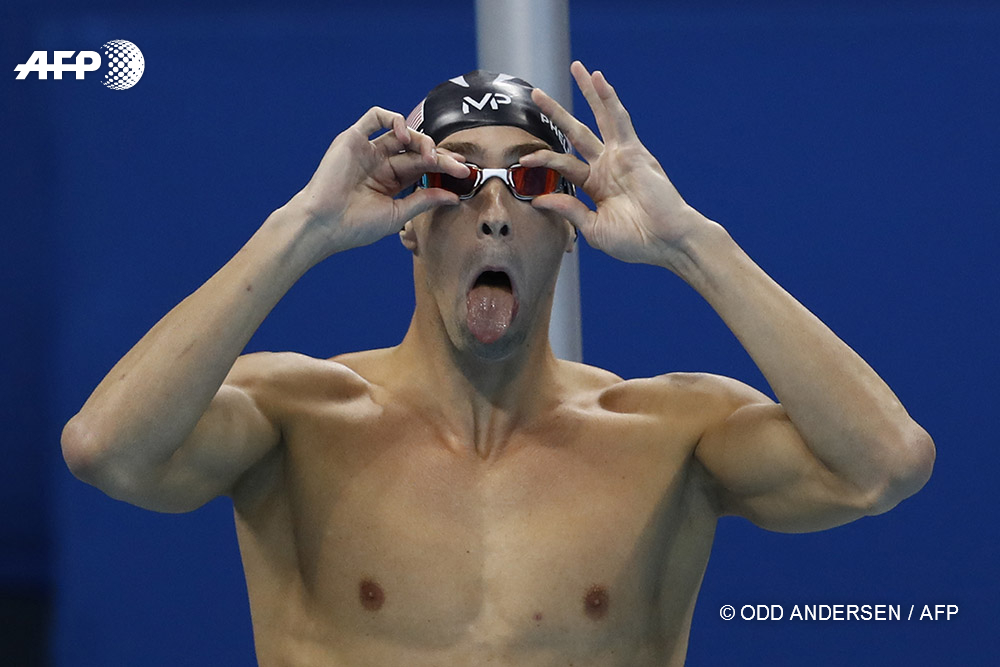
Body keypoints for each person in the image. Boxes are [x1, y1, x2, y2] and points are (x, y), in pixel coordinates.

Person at [61, 62, 935, 666]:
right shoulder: (297, 417)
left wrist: (693, 244)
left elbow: (884, 464)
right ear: (409, 222)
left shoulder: (668, 437)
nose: (493, 211)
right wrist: (302, 227)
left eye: (531, 182)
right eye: (458, 179)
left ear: (571, 230)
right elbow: (107, 448)